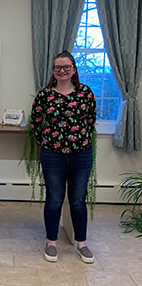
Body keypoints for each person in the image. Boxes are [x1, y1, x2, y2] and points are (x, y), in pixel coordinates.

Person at [30, 51, 96, 264]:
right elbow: (36, 124)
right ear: (53, 71)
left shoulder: (86, 93)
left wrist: (78, 140)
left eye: (66, 67)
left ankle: (82, 244)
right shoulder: (44, 95)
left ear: (74, 69)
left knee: (78, 200)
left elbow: (90, 121)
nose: (62, 70)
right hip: (53, 155)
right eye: (58, 67)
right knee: (54, 199)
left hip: (81, 154)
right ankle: (51, 243)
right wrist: (50, 143)